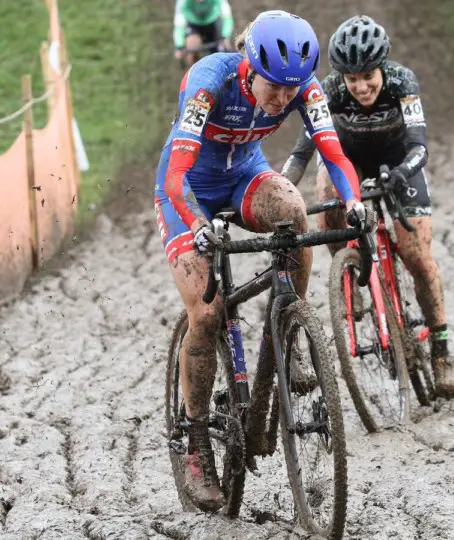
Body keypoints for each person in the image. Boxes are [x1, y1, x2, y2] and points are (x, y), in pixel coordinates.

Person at [155, 10, 366, 512]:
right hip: (187, 193)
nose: (282, 99)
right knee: (206, 314)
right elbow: (176, 174)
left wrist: (354, 201)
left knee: (294, 213)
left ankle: (290, 332)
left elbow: (333, 154)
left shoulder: (303, 88)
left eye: (291, 89)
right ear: (249, 68)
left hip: (245, 175)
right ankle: (198, 444)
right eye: (274, 88)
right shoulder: (209, 82)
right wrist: (198, 225)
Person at [282, 15, 454, 399]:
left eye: (369, 77)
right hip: (350, 163)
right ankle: (348, 268)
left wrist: (401, 174)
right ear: (341, 77)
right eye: (353, 79)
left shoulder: (401, 82)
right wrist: (281, 189)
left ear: (382, 68)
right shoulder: (328, 90)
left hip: (399, 163)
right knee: (326, 191)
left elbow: (420, 147)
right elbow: (301, 153)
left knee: (416, 255)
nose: (362, 86)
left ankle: (442, 352)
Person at [173, 0, 234, 66]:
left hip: (213, 22)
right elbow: (179, 26)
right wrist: (179, 46)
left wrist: (225, 36)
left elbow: (227, 18)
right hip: (193, 24)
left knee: (222, 49)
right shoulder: (183, 2)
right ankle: (195, 70)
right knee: (192, 47)